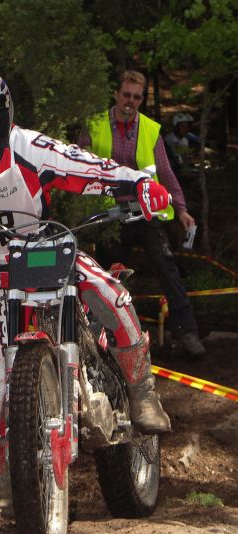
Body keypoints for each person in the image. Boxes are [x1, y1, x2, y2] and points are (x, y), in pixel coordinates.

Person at [0, 65, 171, 519]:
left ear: (1, 117)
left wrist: (139, 183)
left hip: (43, 249)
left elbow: (86, 166)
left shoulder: (28, 147)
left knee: (109, 291)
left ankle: (142, 392)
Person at [80, 70, 206, 359]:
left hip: (146, 211)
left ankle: (187, 332)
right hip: (110, 215)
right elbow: (76, 164)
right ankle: (102, 338)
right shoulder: (94, 124)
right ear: (116, 94)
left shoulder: (150, 130)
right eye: (126, 95)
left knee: (168, 267)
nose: (131, 101)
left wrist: (182, 210)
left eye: (137, 97)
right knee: (105, 277)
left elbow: (166, 173)